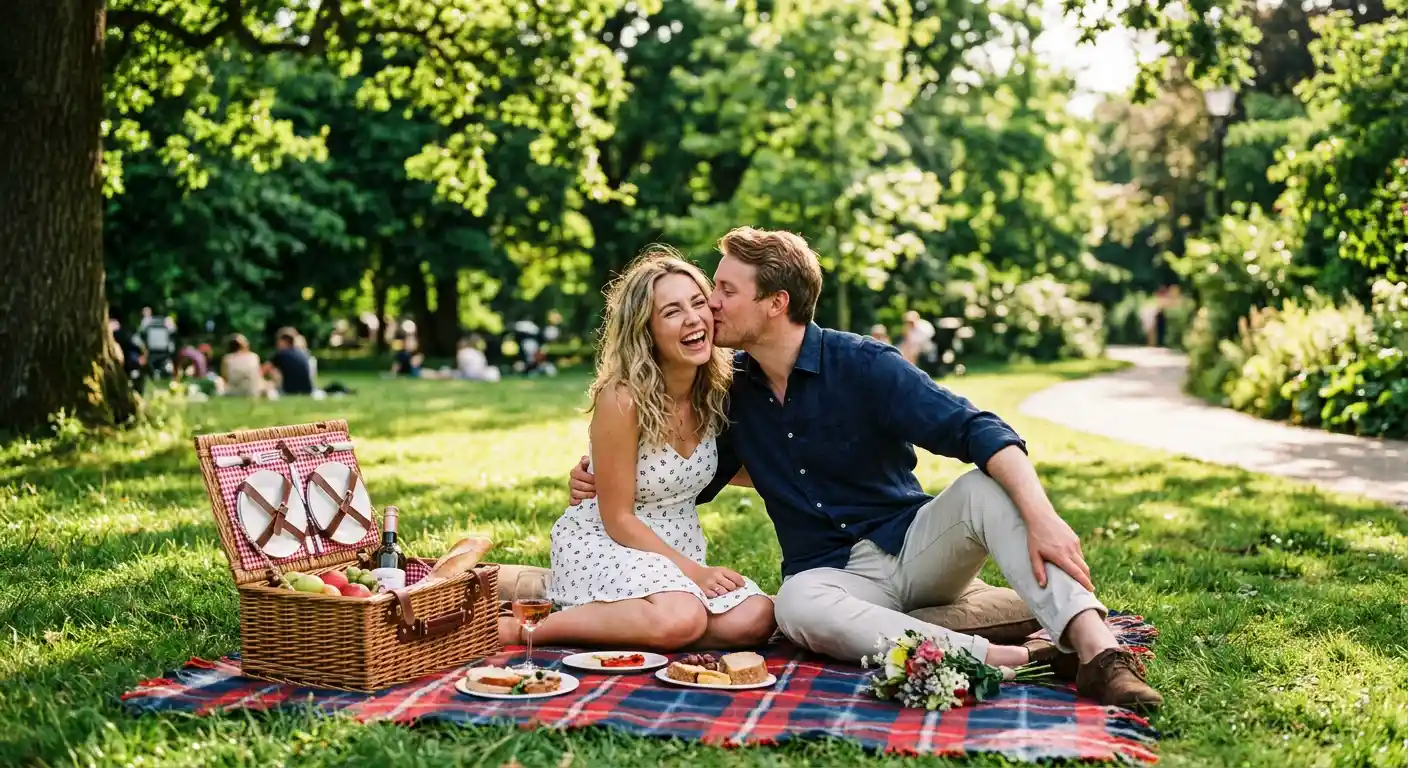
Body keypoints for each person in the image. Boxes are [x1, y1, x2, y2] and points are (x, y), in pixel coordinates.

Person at [570, 227, 1162, 711]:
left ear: (775, 304)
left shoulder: (864, 365)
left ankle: (1099, 655)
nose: (711, 301)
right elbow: (689, 471)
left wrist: (1044, 518)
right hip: (828, 575)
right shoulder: (733, 390)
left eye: (723, 289)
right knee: (794, 606)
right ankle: (1011, 659)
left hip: (913, 547)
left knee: (987, 486)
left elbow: (979, 430)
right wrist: (596, 477)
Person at [501, 247, 776, 652]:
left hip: (677, 546)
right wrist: (696, 575)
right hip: (609, 544)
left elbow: (735, 468)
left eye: (698, 303)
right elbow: (618, 518)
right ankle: (530, 628)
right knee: (682, 616)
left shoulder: (720, 389)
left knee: (755, 617)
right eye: (671, 312)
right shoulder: (623, 399)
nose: (693, 318)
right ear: (645, 330)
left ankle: (640, 623)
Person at [265, 330, 315, 395]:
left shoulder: (281, 354)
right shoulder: (302, 353)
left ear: (283, 341)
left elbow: (262, 370)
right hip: (307, 390)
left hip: (289, 391)